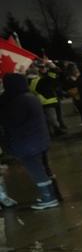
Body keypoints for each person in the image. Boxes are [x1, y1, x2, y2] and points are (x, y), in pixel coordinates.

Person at [0, 73, 59, 209]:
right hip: (38, 141)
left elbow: (11, 121)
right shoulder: (29, 97)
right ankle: (51, 196)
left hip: (27, 144)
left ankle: (48, 198)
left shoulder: (19, 101)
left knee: (36, 171)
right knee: (42, 169)